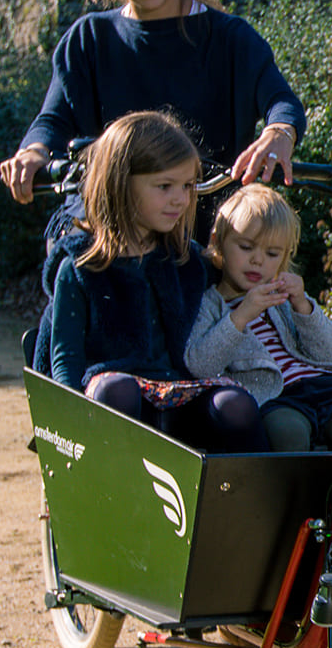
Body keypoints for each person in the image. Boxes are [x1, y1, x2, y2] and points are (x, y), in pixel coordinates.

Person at [0, 0, 305, 263]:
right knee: (69, 262)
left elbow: (280, 100)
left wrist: (279, 134)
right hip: (110, 233)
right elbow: (54, 118)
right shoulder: (90, 40)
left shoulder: (229, 38)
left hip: (202, 235)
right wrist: (33, 152)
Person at [39, 111, 263, 451]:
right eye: (165, 186)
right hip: (111, 388)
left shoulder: (186, 261)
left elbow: (233, 284)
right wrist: (68, 429)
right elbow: (64, 358)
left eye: (187, 186)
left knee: (235, 404)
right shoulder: (82, 268)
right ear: (120, 184)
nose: (181, 199)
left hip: (176, 385)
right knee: (119, 391)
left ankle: (244, 497)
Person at [185, 183, 332, 452]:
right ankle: (303, 489)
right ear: (219, 242)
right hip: (274, 396)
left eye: (272, 254)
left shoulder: (283, 298)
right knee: (288, 435)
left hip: (325, 385)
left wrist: (303, 306)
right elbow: (200, 365)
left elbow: (328, 351)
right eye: (246, 247)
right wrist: (240, 316)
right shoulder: (210, 303)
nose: (257, 261)